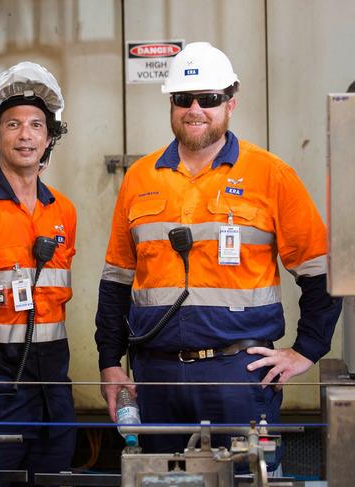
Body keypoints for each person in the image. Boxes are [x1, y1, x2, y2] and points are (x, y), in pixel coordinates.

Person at [94, 42, 342, 469]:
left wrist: (306, 350)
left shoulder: (271, 175)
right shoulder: (140, 178)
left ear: (231, 103)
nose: (195, 109)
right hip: (156, 375)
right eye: (182, 99)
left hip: (239, 375)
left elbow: (320, 272)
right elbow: (116, 280)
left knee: (247, 477)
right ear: (171, 105)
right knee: (159, 478)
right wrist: (109, 364)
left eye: (208, 99)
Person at [0, 61, 77, 486]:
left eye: (37, 125)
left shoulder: (63, 209)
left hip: (53, 375)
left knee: (55, 472)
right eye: (14, 124)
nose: (25, 136)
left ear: (49, 137)